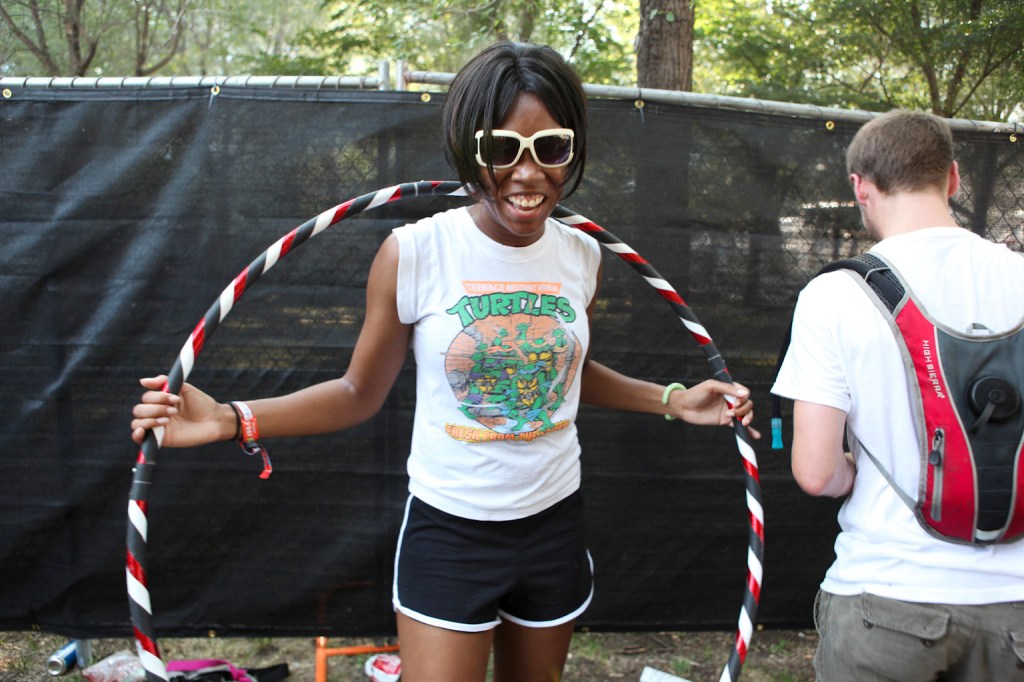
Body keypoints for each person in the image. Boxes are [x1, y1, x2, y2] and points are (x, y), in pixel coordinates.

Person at [130, 42, 757, 682]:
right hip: (451, 533)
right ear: (468, 148)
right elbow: (356, 392)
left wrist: (672, 399)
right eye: (501, 149)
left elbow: (564, 376)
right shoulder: (416, 252)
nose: (528, 171)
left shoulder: (582, 256)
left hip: (555, 525)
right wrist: (232, 418)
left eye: (551, 147)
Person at [772, 109, 1024, 681]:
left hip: (885, 597)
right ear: (953, 178)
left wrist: (854, 470)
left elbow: (817, 473)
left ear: (860, 187)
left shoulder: (834, 295)